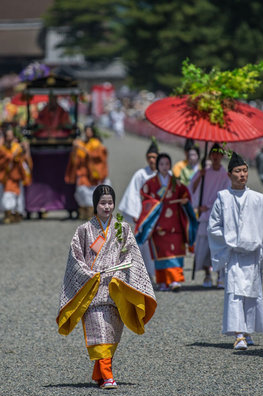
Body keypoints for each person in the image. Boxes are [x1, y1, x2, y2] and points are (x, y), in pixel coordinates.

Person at [57, 185, 157, 389]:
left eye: (110, 202)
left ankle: (99, 373)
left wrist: (120, 274)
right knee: (100, 332)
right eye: (103, 203)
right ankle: (108, 377)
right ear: (95, 205)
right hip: (92, 289)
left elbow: (131, 255)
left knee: (110, 334)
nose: (107, 206)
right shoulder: (84, 230)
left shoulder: (122, 228)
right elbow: (75, 259)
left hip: (114, 288)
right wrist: (88, 274)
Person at [208, 152, 263, 349]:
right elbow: (214, 226)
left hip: (253, 252)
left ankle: (248, 330)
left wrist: (256, 234)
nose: (242, 175)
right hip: (234, 254)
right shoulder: (223, 197)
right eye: (238, 171)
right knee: (235, 293)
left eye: (245, 171)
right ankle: (238, 334)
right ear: (229, 175)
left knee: (253, 292)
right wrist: (231, 240)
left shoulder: (258, 198)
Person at [135, 153, 198, 292]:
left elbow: (185, 194)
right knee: (162, 253)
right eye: (162, 164)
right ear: (157, 166)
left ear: (170, 166)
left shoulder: (176, 182)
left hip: (175, 223)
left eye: (167, 164)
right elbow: (144, 196)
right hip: (158, 224)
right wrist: (154, 204)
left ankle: (175, 280)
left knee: (176, 252)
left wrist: (184, 201)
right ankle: (163, 281)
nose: (164, 167)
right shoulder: (150, 183)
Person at [189, 143, 231, 288]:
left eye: (219, 153)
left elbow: (226, 197)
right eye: (213, 153)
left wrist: (208, 206)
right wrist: (199, 178)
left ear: (222, 156)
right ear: (210, 155)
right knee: (203, 247)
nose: (216, 156)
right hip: (204, 216)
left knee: (219, 247)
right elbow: (192, 189)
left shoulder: (226, 175)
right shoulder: (203, 172)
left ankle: (220, 275)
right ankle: (207, 274)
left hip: (218, 217)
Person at [118, 140, 159, 280]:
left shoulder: (166, 174)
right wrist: (136, 214)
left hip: (161, 215)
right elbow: (133, 194)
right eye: (150, 157)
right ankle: (145, 274)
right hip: (145, 215)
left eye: (154, 157)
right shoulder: (141, 174)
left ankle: (162, 275)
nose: (152, 160)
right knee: (145, 245)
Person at [65, 125, 109, 220]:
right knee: (81, 191)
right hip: (83, 172)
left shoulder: (97, 144)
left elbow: (98, 157)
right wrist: (76, 149)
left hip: (93, 173)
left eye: (89, 131)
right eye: (86, 131)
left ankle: (91, 212)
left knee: (92, 192)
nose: (87, 133)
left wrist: (81, 148)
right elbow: (76, 158)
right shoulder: (82, 143)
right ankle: (83, 211)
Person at [0, 128, 32, 224]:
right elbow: (0, 162)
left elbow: (24, 160)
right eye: (8, 136)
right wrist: (12, 155)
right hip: (7, 176)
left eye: (11, 136)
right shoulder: (2, 149)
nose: (10, 138)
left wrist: (25, 150)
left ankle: (16, 213)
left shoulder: (17, 147)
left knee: (18, 196)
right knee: (7, 195)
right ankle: (8, 213)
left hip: (16, 175)